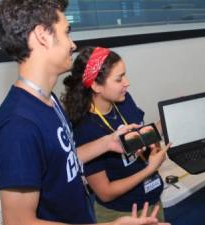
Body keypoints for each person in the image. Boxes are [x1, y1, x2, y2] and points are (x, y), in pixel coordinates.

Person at [0, 0, 169, 225]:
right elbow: (18, 222)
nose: (72, 44)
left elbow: (61, 161)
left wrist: (107, 143)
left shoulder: (48, 100)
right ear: (42, 35)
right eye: (66, 32)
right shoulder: (18, 126)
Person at [61, 46, 169, 222]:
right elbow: (105, 192)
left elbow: (143, 137)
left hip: (152, 199)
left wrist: (156, 141)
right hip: (122, 214)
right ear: (96, 85)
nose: (127, 82)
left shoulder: (124, 101)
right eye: (119, 79)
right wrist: (150, 168)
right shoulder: (85, 129)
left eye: (125, 75)